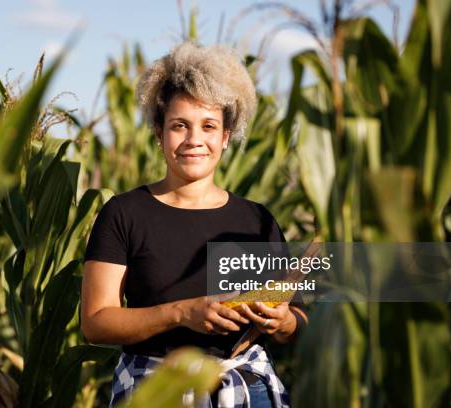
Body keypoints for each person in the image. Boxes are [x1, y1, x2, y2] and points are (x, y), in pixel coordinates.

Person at [80, 41, 308, 408]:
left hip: (247, 388)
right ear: (159, 132)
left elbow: (298, 319)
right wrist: (183, 313)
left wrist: (281, 321)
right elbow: (95, 322)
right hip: (155, 390)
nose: (194, 140)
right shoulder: (123, 214)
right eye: (179, 126)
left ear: (225, 136)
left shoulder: (257, 220)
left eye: (208, 126)